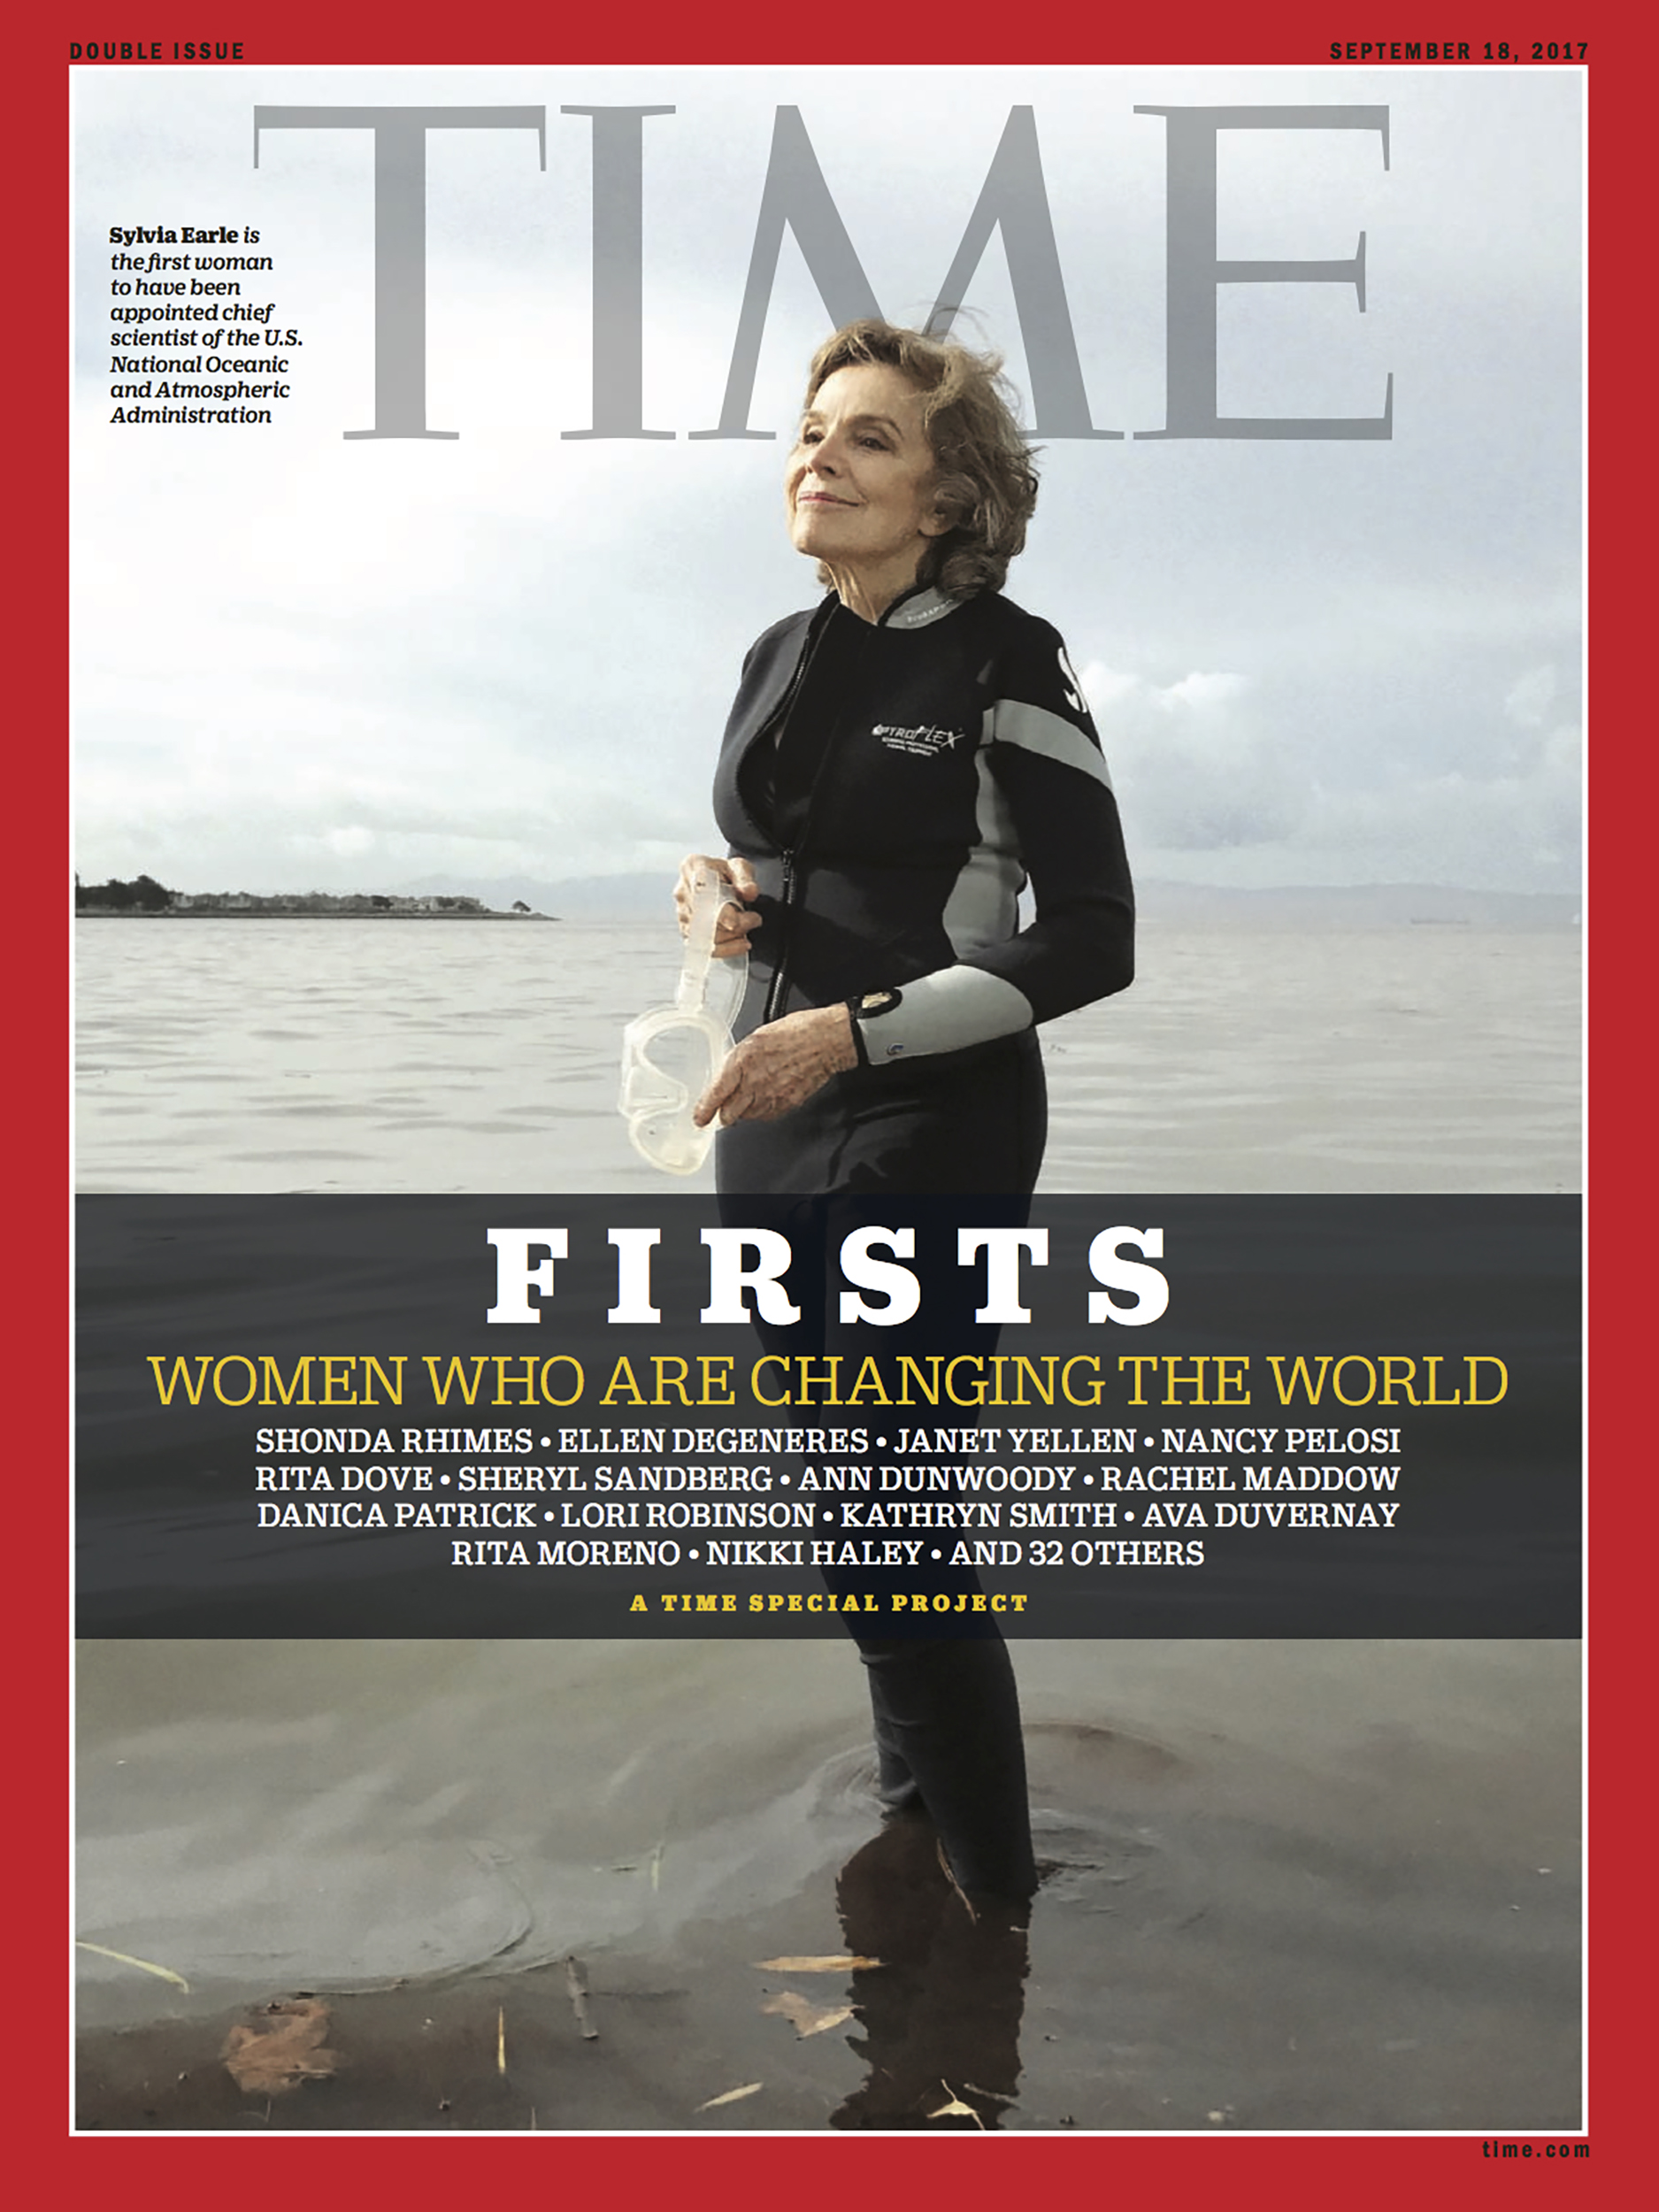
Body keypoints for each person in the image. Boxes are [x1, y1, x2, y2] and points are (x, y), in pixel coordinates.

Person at [674, 319, 1133, 1908]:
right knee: (844, 1504)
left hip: (928, 1116)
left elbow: (1090, 936)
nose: (821, 456)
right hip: (768, 1108)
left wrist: (852, 1036)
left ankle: (997, 1913)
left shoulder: (1009, 654)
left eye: (869, 437)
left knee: (899, 1517)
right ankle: (915, 1851)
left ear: (950, 496)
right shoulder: (776, 654)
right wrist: (711, 891)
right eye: (813, 429)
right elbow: (778, 861)